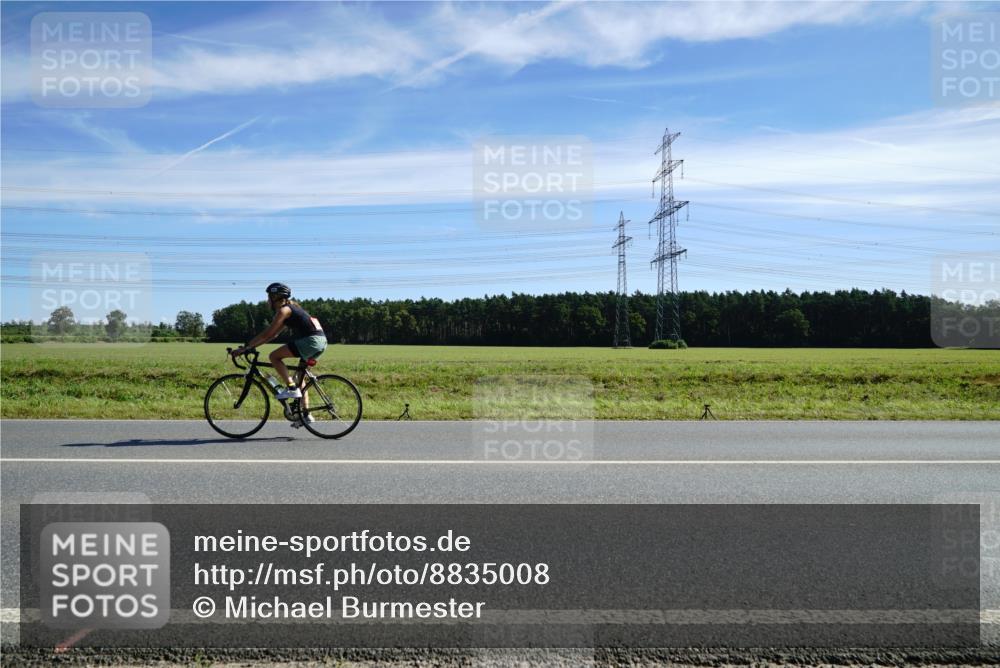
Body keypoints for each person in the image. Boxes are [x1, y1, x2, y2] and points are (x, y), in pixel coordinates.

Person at [231, 283, 327, 427]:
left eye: (268, 297)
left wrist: (246, 348)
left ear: (276, 297)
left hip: (311, 341)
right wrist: (249, 347)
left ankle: (291, 388)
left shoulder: (284, 311)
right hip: (321, 342)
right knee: (300, 378)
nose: (267, 301)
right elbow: (273, 335)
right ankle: (306, 415)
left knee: (274, 357)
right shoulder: (290, 310)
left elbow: (267, 333)